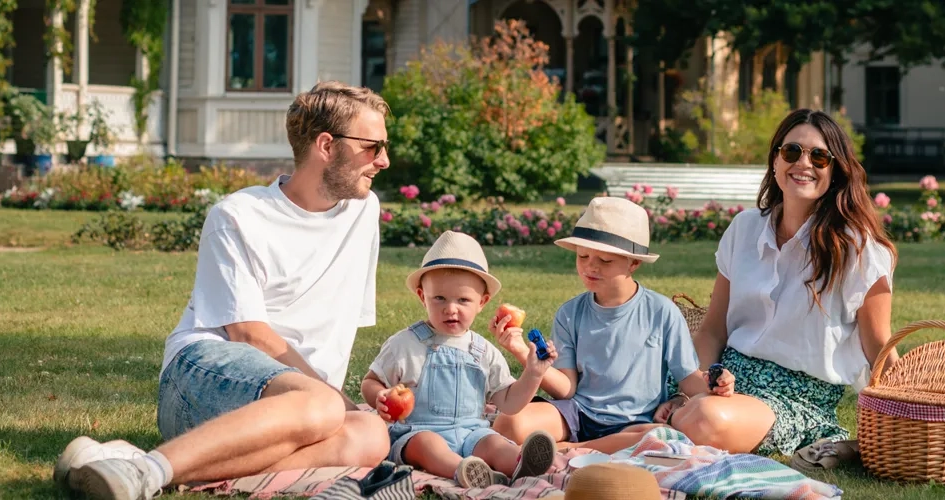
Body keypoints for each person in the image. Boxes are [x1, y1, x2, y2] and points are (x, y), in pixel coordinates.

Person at [54, 81, 395, 500]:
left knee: (371, 437)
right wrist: (336, 402)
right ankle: (147, 471)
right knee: (326, 405)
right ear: (326, 145)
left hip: (298, 410)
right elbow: (249, 335)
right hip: (202, 376)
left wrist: (349, 409)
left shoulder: (363, 211)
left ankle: (142, 466)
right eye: (372, 147)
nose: (384, 160)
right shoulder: (239, 216)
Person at [659, 109, 899, 468]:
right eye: (792, 151)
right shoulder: (744, 228)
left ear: (835, 171)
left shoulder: (860, 250)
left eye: (819, 157)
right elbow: (712, 331)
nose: (803, 163)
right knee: (620, 374)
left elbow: (879, 345)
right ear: (775, 161)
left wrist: (913, 407)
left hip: (796, 399)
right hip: (722, 377)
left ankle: (655, 429)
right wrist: (688, 389)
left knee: (706, 420)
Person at [490, 197, 733, 454]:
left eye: (605, 260)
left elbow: (688, 379)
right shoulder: (569, 313)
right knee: (508, 423)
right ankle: (583, 448)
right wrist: (521, 351)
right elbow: (566, 389)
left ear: (634, 263)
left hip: (636, 421)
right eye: (583, 256)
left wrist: (715, 385)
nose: (590, 266)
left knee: (661, 436)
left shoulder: (661, 312)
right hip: (578, 413)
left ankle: (570, 449)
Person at [360, 230, 559, 488]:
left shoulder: (483, 351)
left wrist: (534, 373)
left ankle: (519, 464)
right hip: (418, 430)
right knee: (427, 446)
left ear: (482, 302)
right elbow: (371, 380)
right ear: (422, 297)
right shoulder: (405, 344)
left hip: (471, 432)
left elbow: (510, 403)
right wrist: (379, 395)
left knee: (494, 443)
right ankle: (461, 470)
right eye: (439, 298)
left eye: (463, 300)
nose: (450, 308)